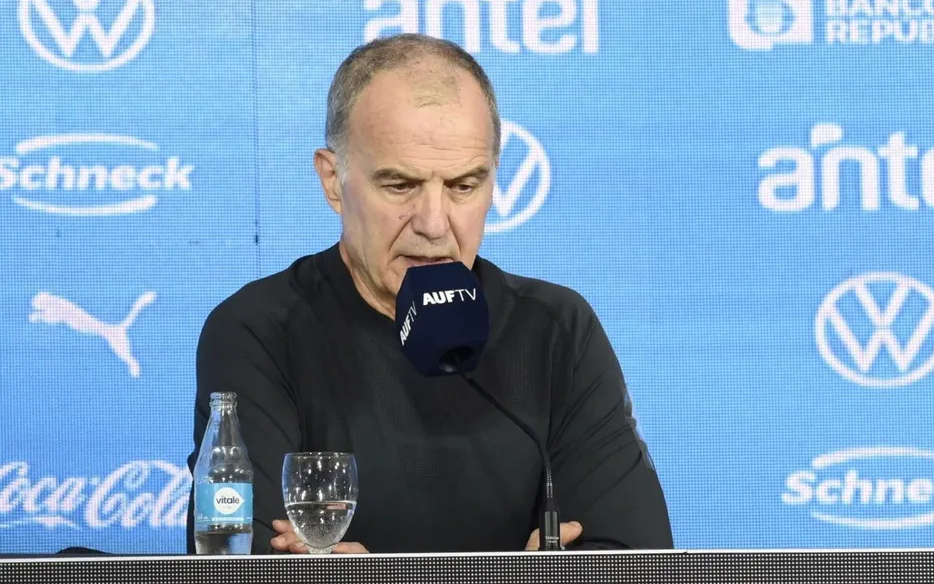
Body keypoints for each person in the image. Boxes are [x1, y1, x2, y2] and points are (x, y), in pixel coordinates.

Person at [185, 33, 673, 554]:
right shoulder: (258, 331)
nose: (435, 223)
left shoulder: (556, 330)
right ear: (333, 181)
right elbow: (237, 566)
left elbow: (632, 559)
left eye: (464, 185)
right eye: (400, 186)